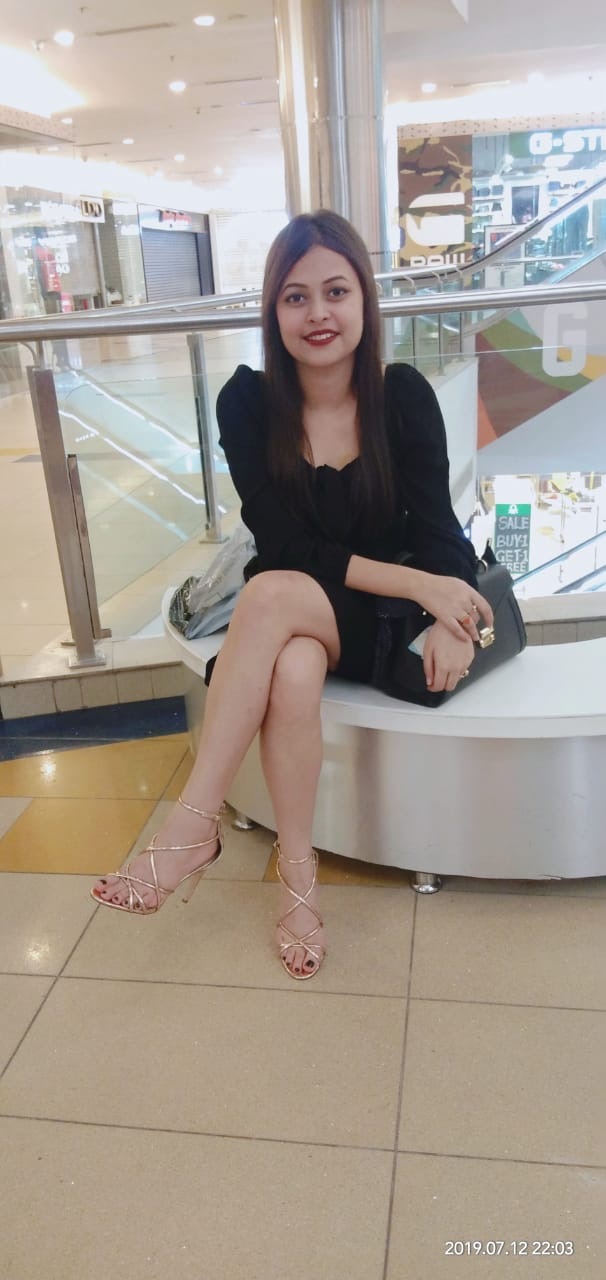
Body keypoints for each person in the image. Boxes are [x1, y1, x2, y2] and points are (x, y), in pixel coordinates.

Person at [91, 210, 492, 980]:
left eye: (336, 291)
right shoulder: (248, 405)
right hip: (298, 612)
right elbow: (286, 546)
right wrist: (422, 581)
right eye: (295, 297)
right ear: (273, 311)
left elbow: (440, 530)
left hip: (380, 620)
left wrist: (450, 615)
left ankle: (190, 828)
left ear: (364, 300)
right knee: (296, 662)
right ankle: (298, 882)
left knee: (273, 597)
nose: (318, 313)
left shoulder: (402, 397)